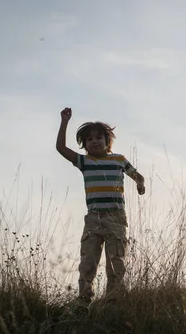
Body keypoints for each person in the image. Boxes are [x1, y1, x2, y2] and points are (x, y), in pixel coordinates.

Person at [56, 107, 145, 310]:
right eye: (89, 139)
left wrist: (140, 184)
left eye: (98, 138)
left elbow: (138, 175)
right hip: (93, 219)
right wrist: (64, 122)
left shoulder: (119, 160)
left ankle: (113, 302)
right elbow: (61, 148)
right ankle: (83, 301)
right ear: (84, 145)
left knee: (116, 262)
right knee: (88, 261)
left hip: (115, 218)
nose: (94, 141)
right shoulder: (85, 162)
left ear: (107, 141)